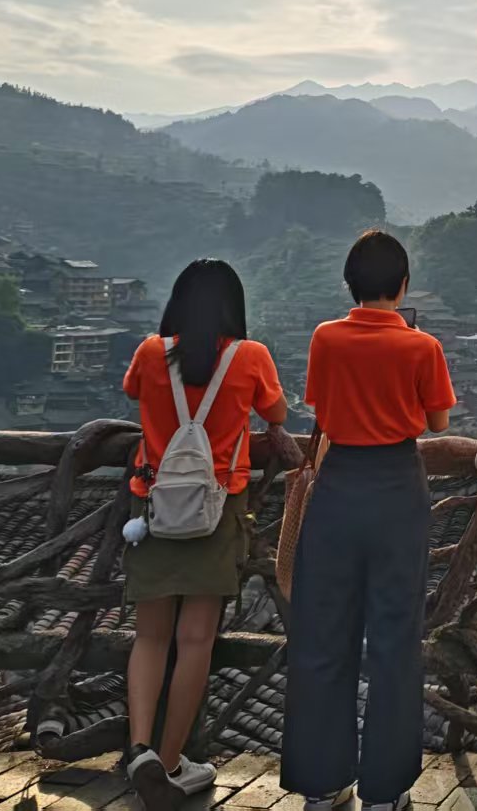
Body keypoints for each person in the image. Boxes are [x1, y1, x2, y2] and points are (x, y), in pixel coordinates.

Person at [281, 230, 455, 811]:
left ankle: (322, 784)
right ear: (402, 286)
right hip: (398, 488)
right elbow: (437, 422)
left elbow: (321, 407)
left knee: (322, 635)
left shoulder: (325, 337)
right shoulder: (422, 346)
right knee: (395, 640)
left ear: (350, 284)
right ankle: (385, 790)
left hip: (338, 488)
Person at [122, 259, 301, 811]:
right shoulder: (250, 356)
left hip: (152, 505)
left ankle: (140, 750)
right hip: (218, 509)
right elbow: (276, 410)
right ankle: (172, 762)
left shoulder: (151, 352)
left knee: (151, 637)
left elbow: (132, 392)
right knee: (196, 639)